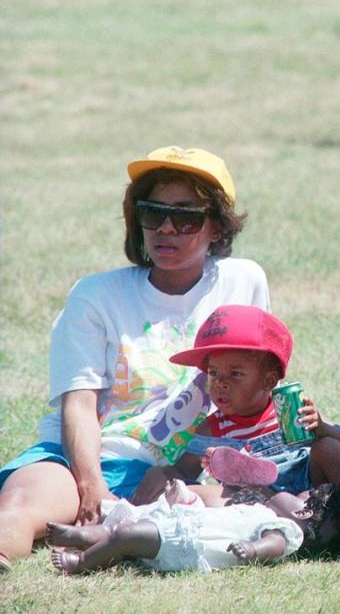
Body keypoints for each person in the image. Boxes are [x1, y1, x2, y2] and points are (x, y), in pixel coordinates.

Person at [0, 146, 270, 572]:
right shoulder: (95, 295)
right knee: (22, 508)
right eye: (152, 213)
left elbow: (246, 387)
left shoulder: (243, 282)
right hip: (79, 457)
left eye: (186, 217)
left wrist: (178, 471)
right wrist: (92, 487)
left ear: (217, 227)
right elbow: (79, 404)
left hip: (171, 474)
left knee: (255, 514)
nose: (166, 228)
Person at [129, 304, 340, 548]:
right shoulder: (213, 429)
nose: (221, 383)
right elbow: (184, 470)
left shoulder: (289, 411)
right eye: (214, 373)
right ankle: (143, 523)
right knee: (205, 492)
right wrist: (164, 475)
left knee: (329, 447)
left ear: (268, 381)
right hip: (253, 503)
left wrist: (323, 428)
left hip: (312, 491)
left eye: (235, 374)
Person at [45, 478, 340, 574]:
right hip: (180, 524)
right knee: (132, 527)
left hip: (185, 543)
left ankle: (82, 562)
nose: (295, 496)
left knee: (130, 535)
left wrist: (253, 549)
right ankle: (85, 536)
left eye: (303, 499)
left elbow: (274, 546)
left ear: (307, 516)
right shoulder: (261, 510)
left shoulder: (286, 531)